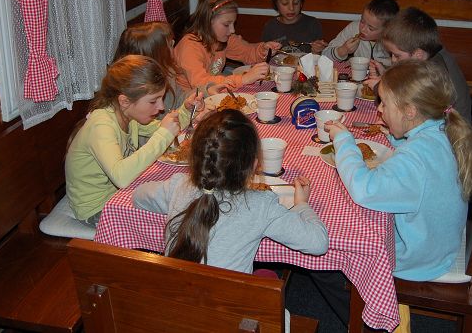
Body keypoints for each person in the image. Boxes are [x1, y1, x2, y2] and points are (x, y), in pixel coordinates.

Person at [318, 60, 472, 329]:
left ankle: (375, 322)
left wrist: (343, 141)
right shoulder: (442, 129)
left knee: (323, 253)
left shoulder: (415, 159)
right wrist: (396, 137)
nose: (379, 109)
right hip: (438, 240)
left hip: (420, 256)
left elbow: (364, 190)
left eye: (384, 104)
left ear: (410, 111)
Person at [132, 109, 329, 273]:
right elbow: (318, 243)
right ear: (254, 165)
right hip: (231, 309)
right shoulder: (261, 205)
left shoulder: (179, 186)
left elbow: (138, 196)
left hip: (176, 303)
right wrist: (302, 204)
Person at [65, 55, 203, 227]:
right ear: (124, 101)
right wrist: (164, 135)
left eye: (161, 98)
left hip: (119, 194)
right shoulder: (101, 126)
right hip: (97, 208)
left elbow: (163, 127)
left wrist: (186, 111)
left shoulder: (127, 114)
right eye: (153, 101)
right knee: (178, 219)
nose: (161, 107)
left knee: (180, 203)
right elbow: (121, 177)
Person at [376, 6, 472, 121]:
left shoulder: (433, 74)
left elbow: (404, 109)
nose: (393, 60)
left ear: (418, 54)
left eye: (397, 55)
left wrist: (379, 88)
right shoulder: (431, 56)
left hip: (448, 129)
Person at [112, 22, 227, 114]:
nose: (175, 47)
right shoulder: (137, 91)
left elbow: (179, 98)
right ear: (158, 53)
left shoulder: (167, 71)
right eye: (171, 45)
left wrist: (205, 91)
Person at [174, 0, 282, 90]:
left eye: (233, 24)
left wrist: (263, 50)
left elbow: (247, 52)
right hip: (188, 98)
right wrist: (243, 79)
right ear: (208, 21)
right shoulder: (189, 46)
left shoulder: (223, 38)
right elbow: (199, 83)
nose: (232, 30)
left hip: (213, 91)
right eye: (226, 25)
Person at [321, 0, 398, 64]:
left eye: (371, 28)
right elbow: (324, 56)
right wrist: (343, 50)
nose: (363, 29)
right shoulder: (353, 28)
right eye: (362, 21)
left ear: (386, 30)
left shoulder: (395, 39)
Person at [260, 0, 327, 54]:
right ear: (276, 4)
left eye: (296, 3)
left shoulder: (312, 24)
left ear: (301, 3)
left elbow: (319, 57)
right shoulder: (271, 26)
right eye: (285, 3)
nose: (291, 8)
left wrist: (317, 50)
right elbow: (263, 54)